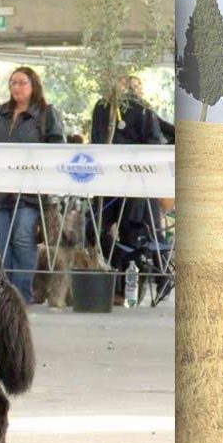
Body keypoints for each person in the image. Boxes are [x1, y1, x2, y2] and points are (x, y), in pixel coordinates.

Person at [0, 66, 65, 303]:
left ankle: (22, 295)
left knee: (23, 240)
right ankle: (0, 295)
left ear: (33, 85)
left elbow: (58, 148)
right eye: (13, 83)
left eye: (22, 83)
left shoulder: (46, 114)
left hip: (29, 193)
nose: (16, 87)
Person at [88, 75, 166, 303]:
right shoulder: (104, 108)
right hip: (114, 184)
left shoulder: (141, 110)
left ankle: (129, 289)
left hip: (135, 186)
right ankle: (117, 282)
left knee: (133, 234)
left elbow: (154, 143)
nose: (131, 88)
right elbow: (98, 140)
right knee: (98, 229)